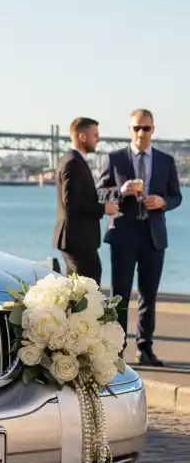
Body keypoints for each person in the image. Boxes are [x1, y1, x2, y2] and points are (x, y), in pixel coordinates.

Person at [97, 108, 183, 367]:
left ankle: (145, 349)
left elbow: (177, 196)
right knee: (119, 295)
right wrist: (120, 190)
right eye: (137, 128)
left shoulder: (166, 161)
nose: (141, 133)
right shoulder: (114, 158)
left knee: (149, 295)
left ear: (153, 130)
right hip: (123, 235)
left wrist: (163, 202)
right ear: (129, 130)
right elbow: (100, 192)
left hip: (154, 237)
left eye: (146, 128)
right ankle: (115, 350)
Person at [53, 117, 118, 284]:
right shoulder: (73, 162)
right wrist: (103, 209)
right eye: (95, 135)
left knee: (76, 291)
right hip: (77, 240)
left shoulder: (72, 159)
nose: (98, 139)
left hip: (75, 239)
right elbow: (71, 201)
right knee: (88, 288)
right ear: (82, 137)